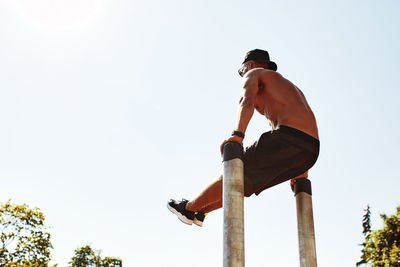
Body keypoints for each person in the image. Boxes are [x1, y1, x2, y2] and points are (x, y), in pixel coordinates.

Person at [167, 49, 320, 227]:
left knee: (235, 173)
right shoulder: (288, 89)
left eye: (241, 71)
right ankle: (202, 210)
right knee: (244, 185)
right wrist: (300, 168)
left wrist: (237, 135)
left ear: (250, 65)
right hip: (310, 150)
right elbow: (300, 122)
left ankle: (188, 207)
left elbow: (247, 101)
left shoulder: (254, 74)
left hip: (288, 138)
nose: (242, 75)